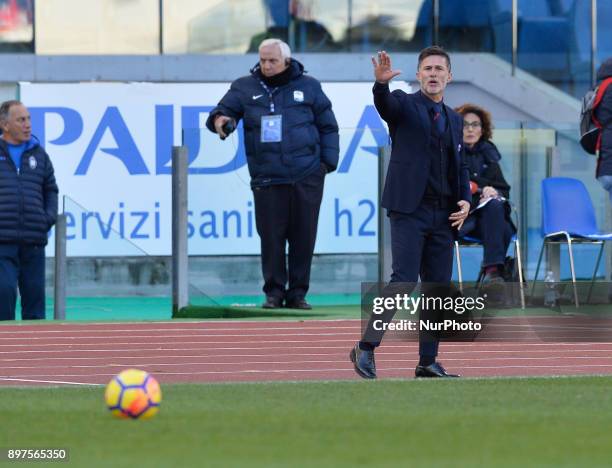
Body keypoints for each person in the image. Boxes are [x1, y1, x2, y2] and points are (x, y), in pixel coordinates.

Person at [350, 47, 471, 379]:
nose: (433, 74)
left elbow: (461, 165)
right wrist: (380, 86)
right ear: (419, 75)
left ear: (449, 75)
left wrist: (465, 200)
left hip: (443, 215)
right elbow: (384, 105)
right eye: (427, 69)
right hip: (409, 209)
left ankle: (427, 362)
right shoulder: (403, 104)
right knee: (402, 281)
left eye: (439, 69)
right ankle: (366, 348)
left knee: (436, 288)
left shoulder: (455, 119)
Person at [205, 38, 339, 310]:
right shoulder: (245, 86)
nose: (266, 65)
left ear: (286, 61)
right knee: (271, 237)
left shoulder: (309, 86)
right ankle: (274, 293)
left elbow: (328, 126)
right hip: (267, 176)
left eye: (272, 61)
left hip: (307, 175)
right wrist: (221, 121)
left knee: (304, 236)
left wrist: (325, 165)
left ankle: (298, 293)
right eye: (263, 60)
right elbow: (221, 112)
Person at [0, 100, 58, 321]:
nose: (27, 125)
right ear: (5, 125)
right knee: (4, 293)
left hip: (33, 239)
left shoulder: (40, 155)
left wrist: (47, 219)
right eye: (21, 120)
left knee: (35, 300)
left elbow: (50, 189)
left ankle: (37, 352)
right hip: (3, 240)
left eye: (28, 119)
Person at [455, 103, 515, 284]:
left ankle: (492, 271)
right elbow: (456, 185)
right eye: (465, 125)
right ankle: (493, 270)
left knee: (495, 205)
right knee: (503, 230)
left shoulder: (489, 154)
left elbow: (505, 190)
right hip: (465, 219)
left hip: (489, 219)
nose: (470, 129)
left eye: (476, 125)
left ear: (483, 129)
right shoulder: (451, 153)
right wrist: (483, 189)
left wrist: (493, 191)